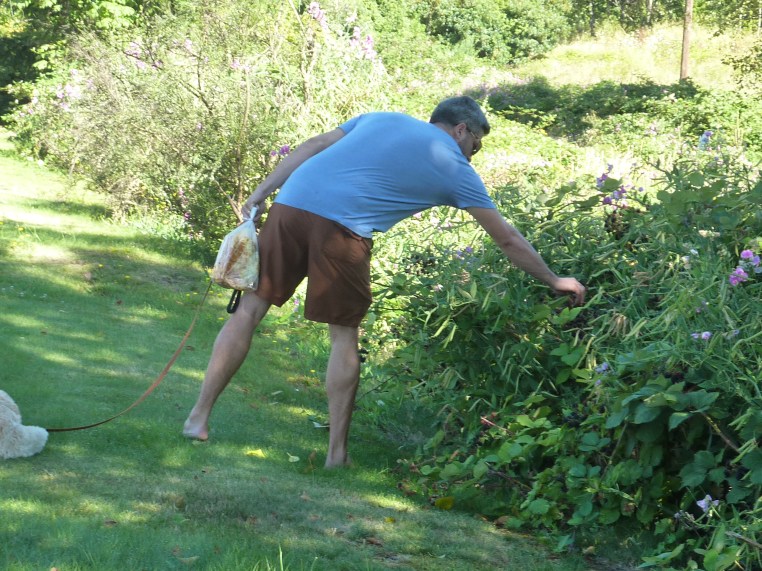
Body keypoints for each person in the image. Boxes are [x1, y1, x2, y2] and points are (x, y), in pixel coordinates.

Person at [183, 96, 586, 467]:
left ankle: (197, 418)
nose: (473, 155)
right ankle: (336, 455)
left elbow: (312, 146)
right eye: (476, 145)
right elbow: (507, 238)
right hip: (343, 229)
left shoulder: (380, 118)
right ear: (461, 130)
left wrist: (260, 193)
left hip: (290, 205)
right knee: (343, 335)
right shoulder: (455, 168)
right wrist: (554, 280)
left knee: (249, 310)